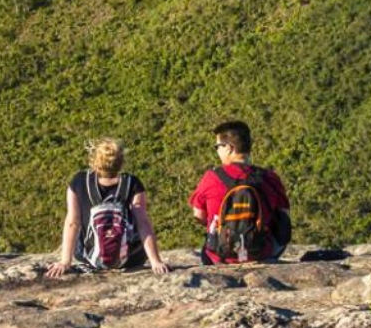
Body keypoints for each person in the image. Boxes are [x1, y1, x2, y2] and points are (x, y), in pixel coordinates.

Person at [46, 137, 170, 278]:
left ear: (95, 160)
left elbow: (73, 223)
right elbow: (143, 223)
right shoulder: (132, 183)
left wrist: (65, 262)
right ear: (121, 162)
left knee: (81, 235)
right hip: (129, 261)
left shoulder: (79, 182)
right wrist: (155, 261)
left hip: (90, 259)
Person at [189, 119, 291, 263]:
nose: (217, 151)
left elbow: (198, 215)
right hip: (261, 253)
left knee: (209, 242)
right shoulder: (270, 177)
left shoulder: (211, 177)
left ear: (229, 148)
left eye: (217, 146)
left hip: (220, 256)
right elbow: (284, 217)